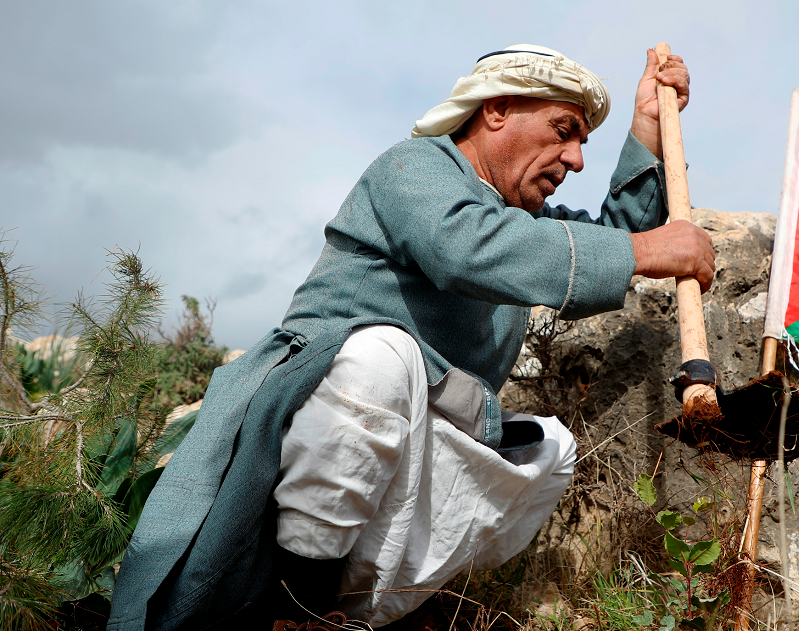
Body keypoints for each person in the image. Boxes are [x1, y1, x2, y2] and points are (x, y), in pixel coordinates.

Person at [108, 44, 713, 630]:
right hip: (315, 418)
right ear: (495, 110)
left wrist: (649, 127)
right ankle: (300, 605)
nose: (576, 158)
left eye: (582, 141)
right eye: (563, 130)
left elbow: (608, 243)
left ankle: (351, 616)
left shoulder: (521, 224)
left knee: (548, 450)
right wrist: (647, 249)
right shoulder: (415, 166)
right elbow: (470, 250)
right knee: (382, 356)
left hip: (421, 431)